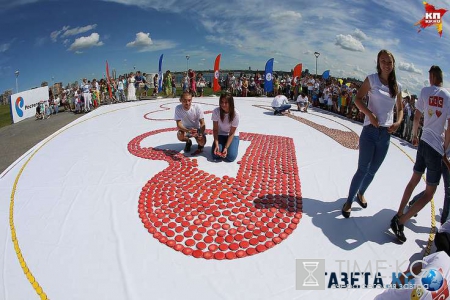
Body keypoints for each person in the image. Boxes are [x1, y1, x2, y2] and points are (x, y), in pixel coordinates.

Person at [391, 65, 450, 243]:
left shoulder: (424, 91)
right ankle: (400, 221)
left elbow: (417, 118)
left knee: (414, 180)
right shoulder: (447, 96)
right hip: (436, 148)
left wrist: (415, 136)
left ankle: (399, 212)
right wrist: (446, 151)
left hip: (423, 142)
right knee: (429, 193)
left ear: (431, 77)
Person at [342, 49, 404, 218]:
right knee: (362, 169)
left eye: (389, 62)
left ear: (393, 65)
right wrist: (370, 114)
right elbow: (357, 99)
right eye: (383, 61)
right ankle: (348, 201)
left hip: (385, 134)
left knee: (373, 170)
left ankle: (361, 192)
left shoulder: (397, 86)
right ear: (378, 63)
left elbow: (400, 109)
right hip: (370, 131)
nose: (386, 64)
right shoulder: (372, 79)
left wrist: (398, 122)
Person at [211, 93, 240, 162]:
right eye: (222, 102)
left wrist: (226, 147)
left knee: (231, 157)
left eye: (226, 102)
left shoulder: (236, 114)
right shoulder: (216, 111)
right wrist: (217, 144)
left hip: (232, 135)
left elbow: (232, 132)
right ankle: (222, 144)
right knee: (215, 155)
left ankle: (232, 144)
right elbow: (215, 129)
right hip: (220, 134)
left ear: (230, 103)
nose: (223, 105)